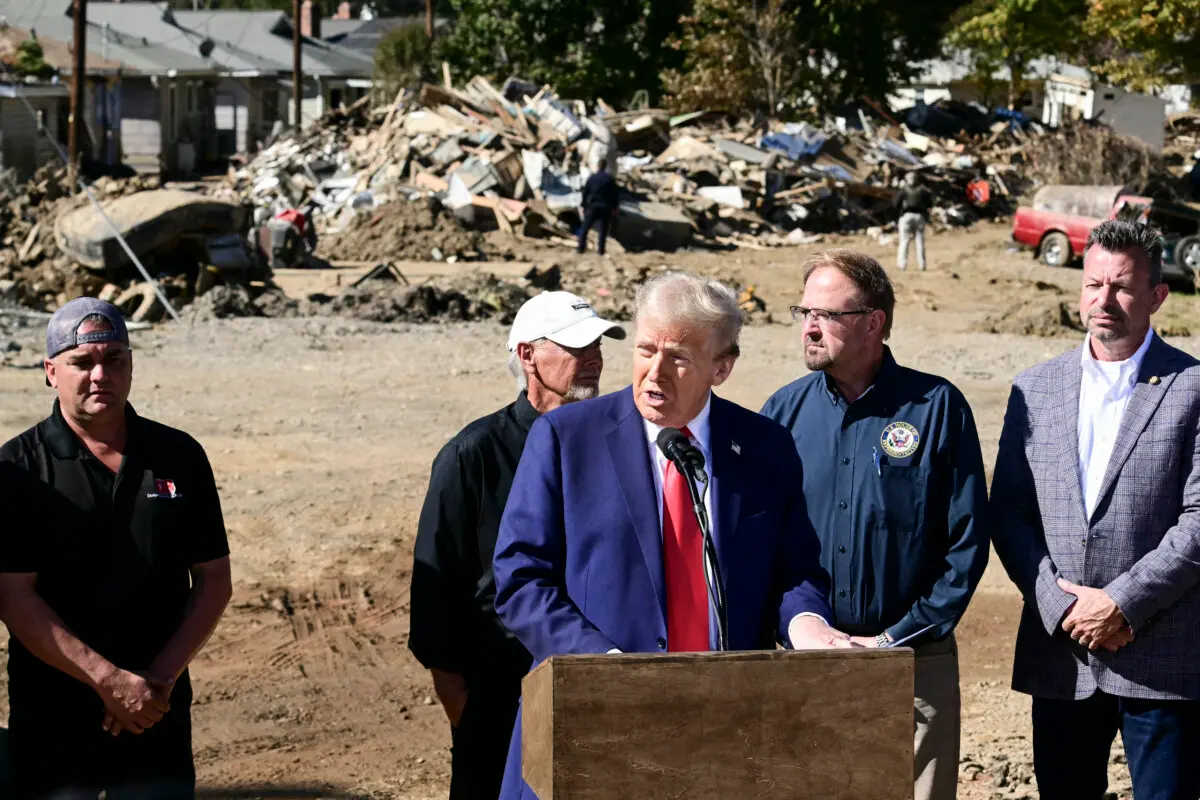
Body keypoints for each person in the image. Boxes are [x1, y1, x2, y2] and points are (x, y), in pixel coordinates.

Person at [492, 272, 849, 800]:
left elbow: (794, 569)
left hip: (723, 729)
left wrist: (807, 623)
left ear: (720, 368)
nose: (654, 372)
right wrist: (606, 669)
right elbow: (521, 580)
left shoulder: (764, 447)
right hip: (593, 722)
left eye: (679, 357)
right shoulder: (567, 439)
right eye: (644, 349)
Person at [760, 249, 990, 800]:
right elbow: (760, 544)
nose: (809, 327)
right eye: (803, 312)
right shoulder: (781, 414)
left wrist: (898, 636)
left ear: (873, 322)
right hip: (806, 658)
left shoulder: (936, 407)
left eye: (826, 314)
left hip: (913, 658)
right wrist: (799, 631)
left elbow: (966, 543)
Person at [991, 219, 1200, 800]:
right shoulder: (1035, 388)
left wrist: (1122, 604)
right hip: (1061, 657)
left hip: (1162, 659)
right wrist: (1061, 605)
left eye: (1123, 286)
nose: (1103, 300)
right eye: (1093, 284)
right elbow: (1009, 513)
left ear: (1158, 295)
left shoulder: (1192, 387)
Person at [0, 297, 232, 799]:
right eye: (82, 363)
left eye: (115, 359)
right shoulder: (17, 470)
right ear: (50, 371)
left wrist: (156, 681)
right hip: (52, 718)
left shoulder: (179, 456)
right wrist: (109, 681)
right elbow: (15, 596)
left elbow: (213, 580)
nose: (100, 374)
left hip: (156, 712)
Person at [409, 290, 625, 800]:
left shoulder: (616, 444)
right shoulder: (472, 456)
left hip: (595, 681)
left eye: (598, 343)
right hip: (499, 695)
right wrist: (461, 700)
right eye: (576, 346)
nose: (593, 357)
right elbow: (436, 586)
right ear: (528, 355)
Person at [576, 158, 620, 256]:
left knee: (585, 228)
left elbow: (585, 192)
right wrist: (615, 207)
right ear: (605, 166)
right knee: (603, 231)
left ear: (598, 166)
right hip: (605, 208)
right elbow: (615, 194)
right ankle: (601, 250)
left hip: (592, 206)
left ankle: (581, 248)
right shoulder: (610, 179)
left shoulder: (592, 178)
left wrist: (583, 205)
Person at [894, 171, 933, 271]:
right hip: (920, 217)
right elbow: (930, 204)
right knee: (920, 241)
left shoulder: (903, 191)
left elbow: (896, 204)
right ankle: (922, 265)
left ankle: (902, 265)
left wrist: (900, 213)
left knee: (904, 241)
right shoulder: (923, 191)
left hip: (906, 216)